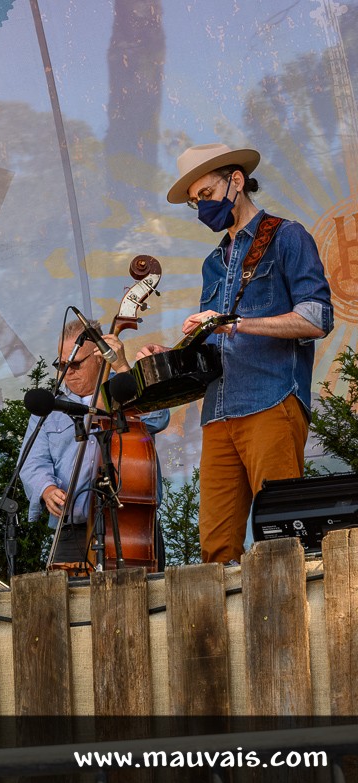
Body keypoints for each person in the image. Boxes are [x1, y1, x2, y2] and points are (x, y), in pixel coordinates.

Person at [138, 143, 333, 564]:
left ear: (237, 181)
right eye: (195, 203)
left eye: (205, 194)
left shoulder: (286, 235)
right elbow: (214, 345)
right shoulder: (212, 263)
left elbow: (317, 317)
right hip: (217, 416)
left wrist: (237, 323)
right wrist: (169, 357)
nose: (201, 208)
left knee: (283, 544)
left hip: (271, 402)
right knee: (216, 552)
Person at [20, 320, 170, 566]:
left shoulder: (121, 387)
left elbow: (158, 417)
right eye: (61, 364)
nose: (67, 371)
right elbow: (32, 462)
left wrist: (122, 367)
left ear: (99, 357)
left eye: (76, 363)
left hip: (129, 526)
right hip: (70, 531)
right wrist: (46, 489)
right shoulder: (50, 406)